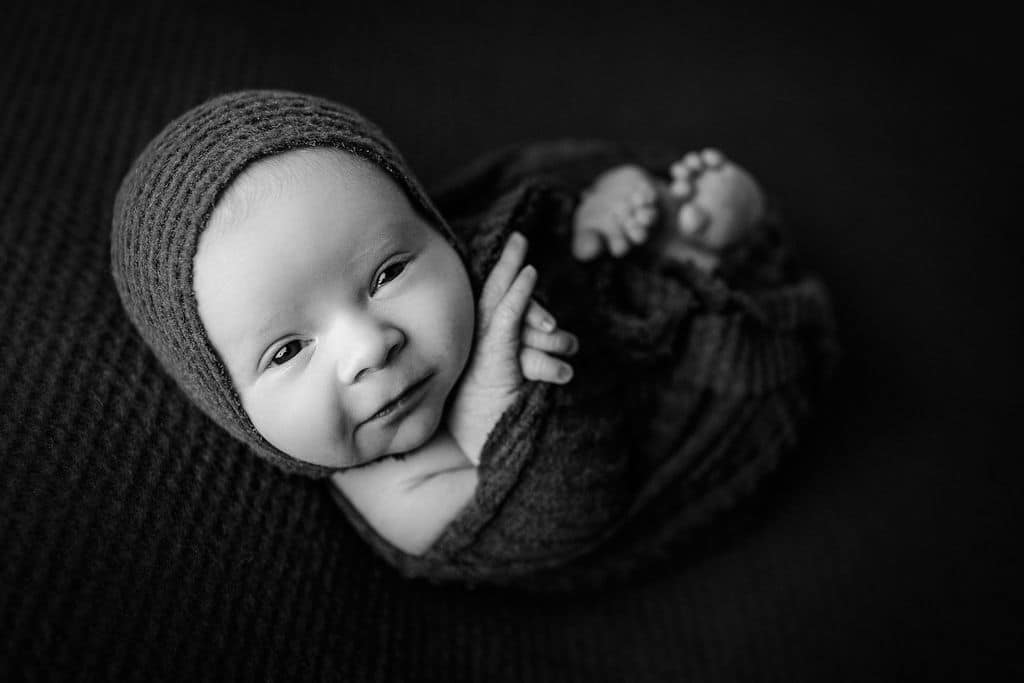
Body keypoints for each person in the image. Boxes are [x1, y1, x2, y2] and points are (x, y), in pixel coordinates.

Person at [111, 90, 836, 589]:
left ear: (432, 219)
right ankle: (699, 270)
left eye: (388, 270)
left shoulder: (467, 253)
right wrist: (499, 411)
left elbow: (522, 200)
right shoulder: (383, 485)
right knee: (718, 366)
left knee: (582, 239)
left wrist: (584, 214)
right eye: (287, 350)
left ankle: (649, 232)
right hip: (625, 435)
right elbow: (567, 521)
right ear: (229, 406)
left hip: (589, 302)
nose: (370, 345)